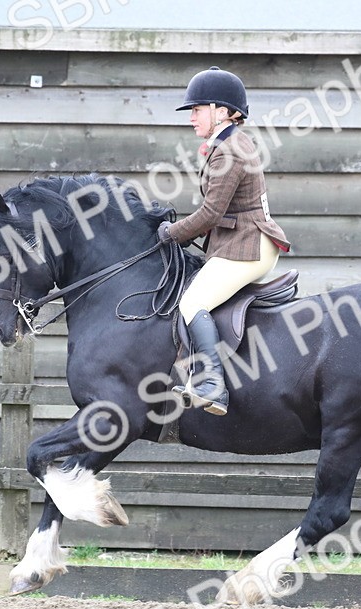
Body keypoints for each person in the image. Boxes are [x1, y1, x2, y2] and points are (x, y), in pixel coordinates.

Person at [157, 66, 291, 416]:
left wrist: (171, 234)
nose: (192, 118)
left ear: (221, 111)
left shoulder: (230, 149)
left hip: (249, 245)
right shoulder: (225, 144)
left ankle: (212, 384)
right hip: (239, 241)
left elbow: (211, 213)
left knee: (192, 302)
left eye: (197, 109)